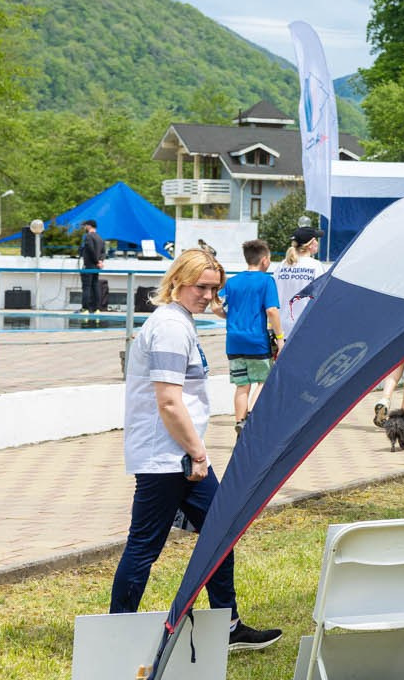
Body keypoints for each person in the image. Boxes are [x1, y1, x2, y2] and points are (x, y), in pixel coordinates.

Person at [108, 248, 281, 651]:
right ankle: (115, 632)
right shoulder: (169, 327)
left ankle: (227, 623)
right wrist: (198, 454)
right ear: (178, 282)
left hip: (179, 455)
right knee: (145, 545)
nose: (208, 296)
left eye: (214, 289)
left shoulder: (180, 322)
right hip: (167, 458)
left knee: (222, 531)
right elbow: (169, 402)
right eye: (201, 287)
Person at [219, 240, 282, 434]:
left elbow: (215, 305)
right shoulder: (266, 281)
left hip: (233, 341)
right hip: (256, 341)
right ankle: (251, 419)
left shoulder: (233, 281)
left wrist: (231, 317)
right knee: (263, 381)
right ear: (264, 260)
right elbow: (271, 310)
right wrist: (280, 337)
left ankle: (239, 421)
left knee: (242, 385)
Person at [270, 225, 327, 340]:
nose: (317, 242)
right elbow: (322, 296)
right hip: (304, 327)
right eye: (316, 239)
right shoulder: (315, 266)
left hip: (282, 328)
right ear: (310, 244)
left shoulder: (281, 266)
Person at [78, 219, 106, 313]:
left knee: (86, 287)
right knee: (95, 286)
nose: (84, 227)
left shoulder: (88, 237)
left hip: (89, 265)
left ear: (89, 226)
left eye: (85, 225)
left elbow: (90, 250)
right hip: (96, 267)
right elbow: (103, 252)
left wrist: (96, 261)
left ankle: (85, 308)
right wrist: (100, 261)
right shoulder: (100, 238)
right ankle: (97, 308)